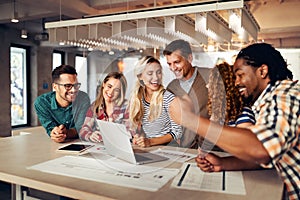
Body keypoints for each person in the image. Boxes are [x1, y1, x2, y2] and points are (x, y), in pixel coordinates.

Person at [169, 43, 299, 200]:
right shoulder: (269, 100)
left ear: (262, 71)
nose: (236, 82)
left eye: (240, 75)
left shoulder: (285, 95)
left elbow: (262, 149)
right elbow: (270, 156)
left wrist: (190, 119)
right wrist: (224, 163)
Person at [163, 39, 209, 149]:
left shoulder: (210, 76)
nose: (173, 68)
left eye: (177, 62)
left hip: (211, 147)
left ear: (189, 58)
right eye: (169, 64)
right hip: (185, 148)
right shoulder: (171, 88)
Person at [129, 56, 182, 147]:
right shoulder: (138, 98)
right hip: (150, 148)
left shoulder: (168, 98)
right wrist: (138, 138)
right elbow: (147, 130)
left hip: (169, 148)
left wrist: (150, 142)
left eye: (158, 73)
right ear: (140, 76)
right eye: (150, 73)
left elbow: (177, 132)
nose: (156, 78)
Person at [202, 61, 256, 151]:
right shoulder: (220, 114)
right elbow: (206, 145)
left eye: (211, 82)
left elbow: (244, 149)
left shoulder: (244, 114)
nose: (207, 86)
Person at [34, 65, 90, 143]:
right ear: (55, 87)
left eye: (76, 85)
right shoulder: (42, 103)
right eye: (68, 86)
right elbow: (50, 128)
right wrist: (55, 133)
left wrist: (66, 132)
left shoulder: (83, 98)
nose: (73, 90)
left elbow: (81, 128)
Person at [79, 72, 129, 142]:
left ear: (121, 92)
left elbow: (130, 132)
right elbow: (84, 129)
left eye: (116, 90)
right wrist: (91, 135)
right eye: (109, 86)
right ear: (103, 84)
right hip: (100, 147)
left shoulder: (126, 106)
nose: (111, 92)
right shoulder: (95, 106)